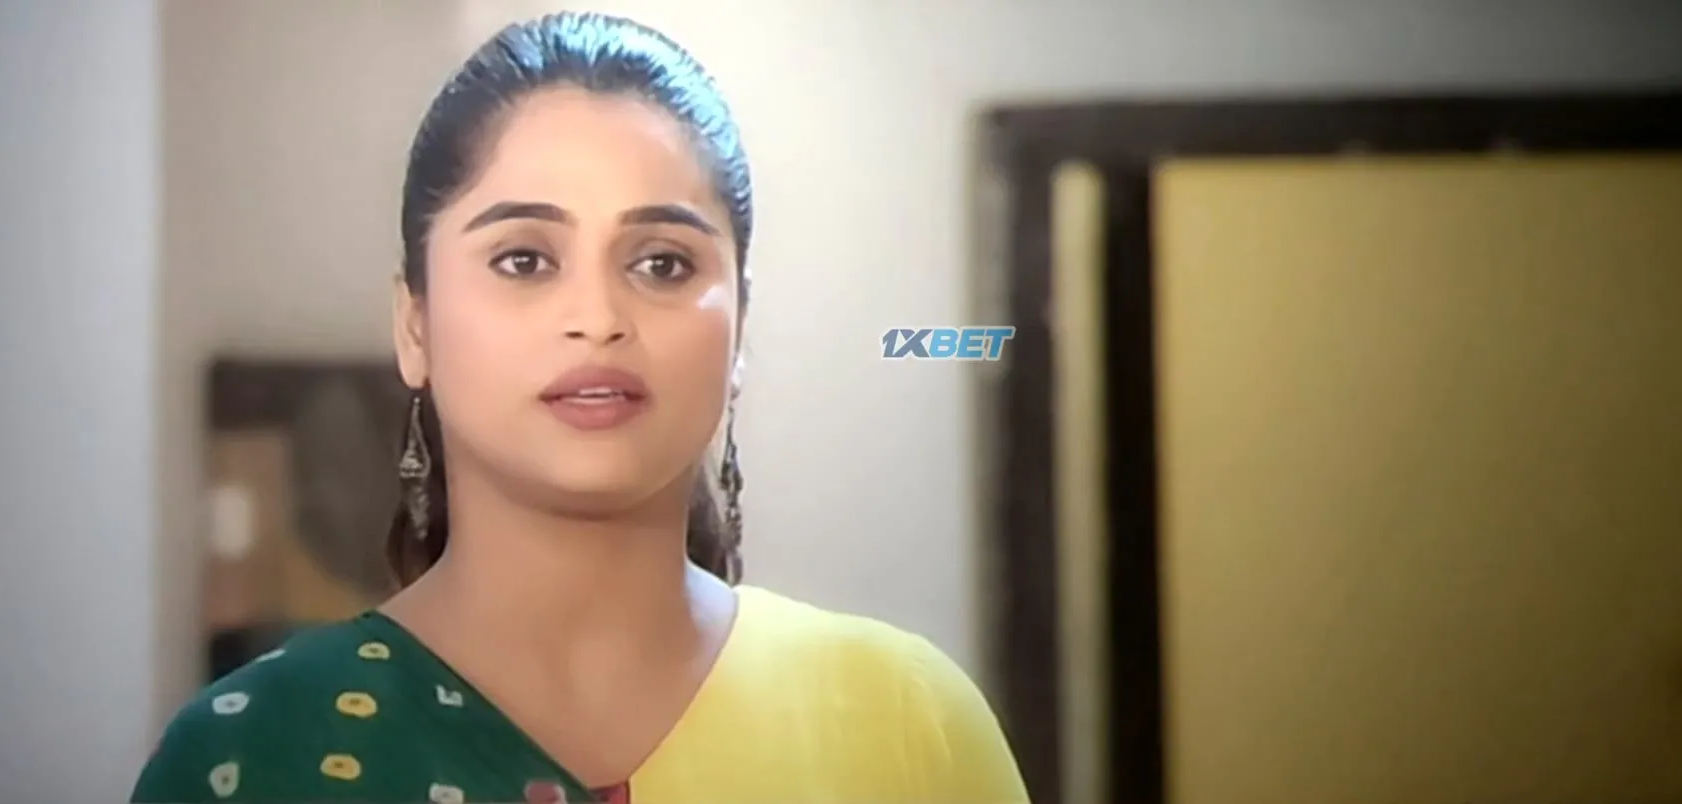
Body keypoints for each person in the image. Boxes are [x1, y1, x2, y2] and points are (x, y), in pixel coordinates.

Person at [131, 11, 1028, 804]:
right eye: (525, 260)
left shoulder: (908, 725)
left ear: (741, 325)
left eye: (662, 264)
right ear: (415, 325)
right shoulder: (252, 755)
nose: (598, 319)